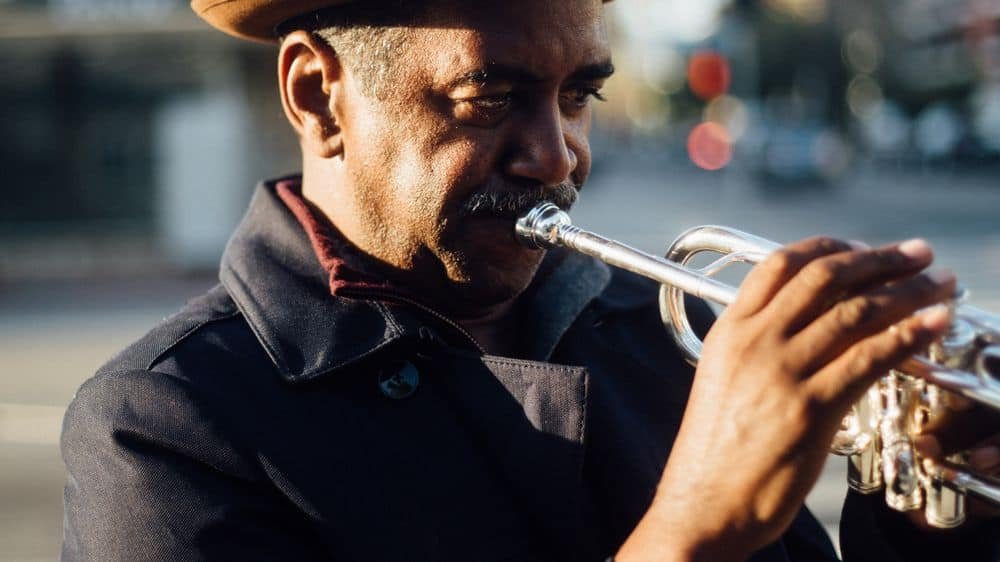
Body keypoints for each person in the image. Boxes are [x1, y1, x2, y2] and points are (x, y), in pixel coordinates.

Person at [60, 1, 998, 560]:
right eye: (491, 100)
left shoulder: (669, 331)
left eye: (578, 96)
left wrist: (938, 494)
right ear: (317, 95)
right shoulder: (162, 426)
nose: (557, 157)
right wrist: (691, 533)